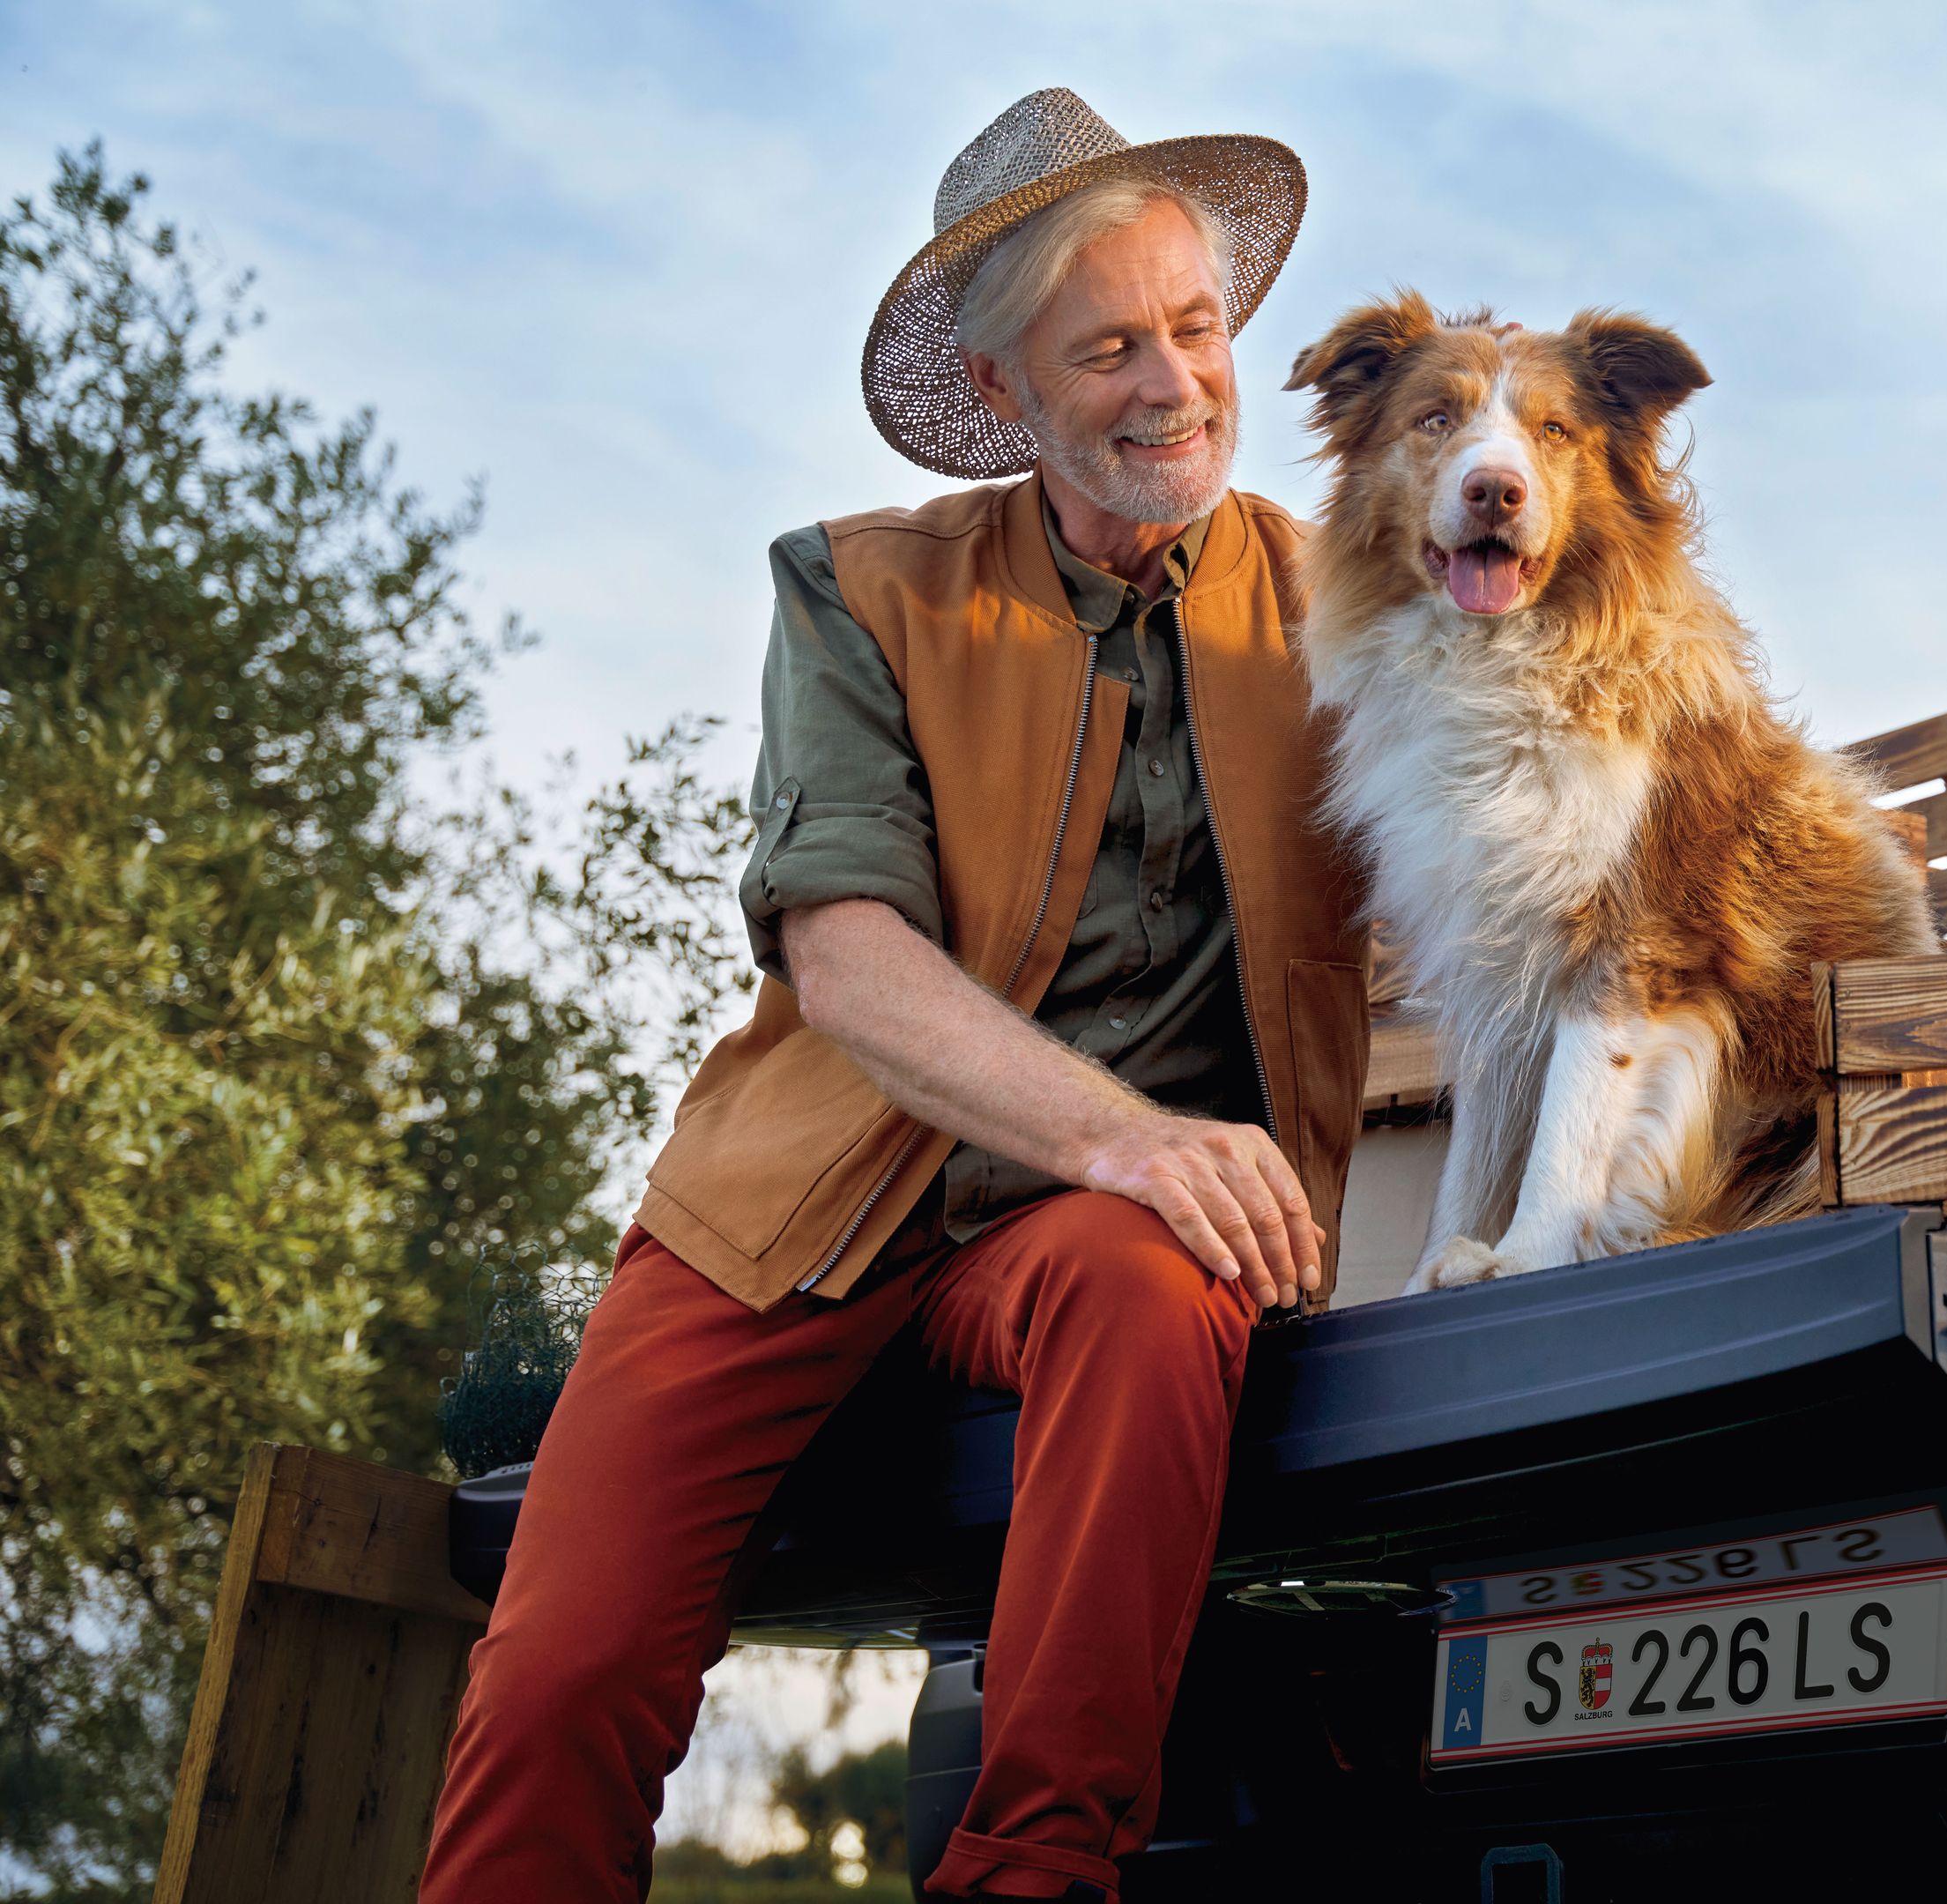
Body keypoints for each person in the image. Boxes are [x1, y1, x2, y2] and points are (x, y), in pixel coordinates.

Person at [419, 88, 1369, 1903]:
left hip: (1077, 1251)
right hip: (788, 1219)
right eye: (1109, 348)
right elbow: (844, 954)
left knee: (1168, 1285)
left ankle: (1029, 1880)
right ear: (1006, 397)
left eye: (1194, 326)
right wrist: (1134, 1139)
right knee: (563, 1677)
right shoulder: (857, 589)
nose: (1175, 380)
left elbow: (1519, 819)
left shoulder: (1346, 613)